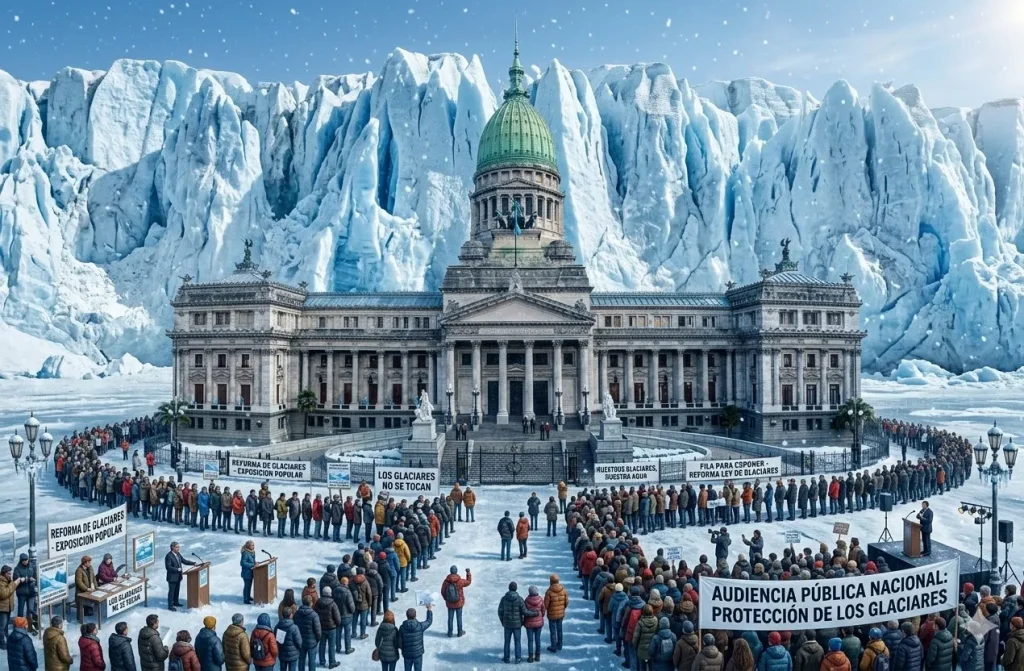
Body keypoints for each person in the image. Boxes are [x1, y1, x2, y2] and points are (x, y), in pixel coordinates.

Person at [498, 581, 536, 665]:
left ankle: (506, 658)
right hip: (517, 625)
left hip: (507, 624)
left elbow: (500, 611)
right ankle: (518, 658)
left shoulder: (504, 599)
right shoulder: (519, 599)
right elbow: (525, 612)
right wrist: (534, 613)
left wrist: (503, 622)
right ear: (516, 588)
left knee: (507, 642)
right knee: (517, 641)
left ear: (509, 588)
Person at [397, 605, 432, 671]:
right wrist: (429, 610)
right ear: (415, 616)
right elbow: (429, 621)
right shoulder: (420, 626)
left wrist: (403, 649)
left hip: (407, 654)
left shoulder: (402, 628)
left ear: (407, 616)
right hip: (418, 654)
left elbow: (399, 642)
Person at [440, 566, 471, 637]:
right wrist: (468, 573)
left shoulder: (446, 581)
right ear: (456, 571)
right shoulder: (460, 581)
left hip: (450, 603)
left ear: (450, 571)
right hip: (459, 603)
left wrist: (446, 599)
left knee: (450, 618)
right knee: (459, 618)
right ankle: (460, 632)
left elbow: (442, 592)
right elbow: (468, 582)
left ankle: (450, 632)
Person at [164, 542, 196, 611]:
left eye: (178, 547)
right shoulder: (168, 556)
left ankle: (176, 602)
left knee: (177, 590)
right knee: (171, 592)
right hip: (172, 577)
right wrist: (177, 569)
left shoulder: (178, 554)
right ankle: (170, 606)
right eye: (177, 547)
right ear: (172, 548)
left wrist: (193, 563)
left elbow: (184, 561)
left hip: (178, 576)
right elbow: (168, 567)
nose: (178, 548)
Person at [314, 586, 340, 668]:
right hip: (331, 628)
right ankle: (332, 662)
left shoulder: (318, 602)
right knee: (331, 646)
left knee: (322, 644)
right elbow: (337, 617)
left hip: (321, 627)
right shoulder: (333, 604)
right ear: (330, 593)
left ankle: (322, 660)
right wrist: (337, 624)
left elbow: (315, 614)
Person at [0, 563, 26, 649]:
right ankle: (2, 643)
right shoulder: (1, 582)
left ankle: (7, 640)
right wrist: (14, 584)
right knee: (2, 626)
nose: (10, 575)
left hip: (7, 608)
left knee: (6, 626)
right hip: (2, 608)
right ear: (4, 573)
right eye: (8, 573)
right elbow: (4, 594)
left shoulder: (8, 581)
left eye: (10, 573)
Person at [294, 594, 322, 670]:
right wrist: (317, 639)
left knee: (301, 659)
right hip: (312, 641)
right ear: (311, 603)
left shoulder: (297, 613)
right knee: (312, 660)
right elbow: (318, 630)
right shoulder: (314, 615)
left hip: (300, 640)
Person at [543, 574, 568, 653]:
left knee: (553, 631)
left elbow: (545, 605)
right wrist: (562, 608)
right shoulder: (563, 590)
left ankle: (553, 646)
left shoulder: (549, 591)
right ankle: (560, 644)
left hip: (552, 615)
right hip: (560, 614)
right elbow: (566, 602)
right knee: (560, 629)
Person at [274, 606, 302, 671]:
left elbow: (276, 640)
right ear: (291, 615)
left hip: (282, 653)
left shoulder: (277, 626)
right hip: (293, 654)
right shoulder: (294, 628)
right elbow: (299, 642)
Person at [524, 586, 546, 663]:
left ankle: (530, 657)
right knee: (538, 639)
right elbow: (543, 610)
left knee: (530, 640)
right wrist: (540, 617)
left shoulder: (527, 600)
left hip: (529, 623)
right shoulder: (540, 599)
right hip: (538, 623)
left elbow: (525, 611)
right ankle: (538, 656)